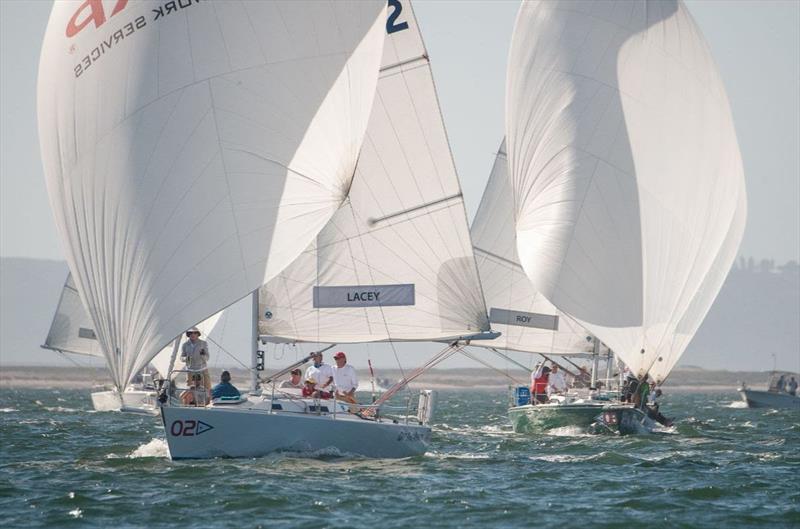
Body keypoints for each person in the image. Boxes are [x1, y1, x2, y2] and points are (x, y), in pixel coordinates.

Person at [181, 327, 211, 399]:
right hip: (190, 370)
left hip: (202, 369)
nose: (193, 334)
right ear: (188, 334)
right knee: (190, 389)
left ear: (198, 334)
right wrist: (186, 358)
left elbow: (207, 358)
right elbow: (181, 357)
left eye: (195, 333)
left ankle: (208, 402)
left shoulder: (203, 343)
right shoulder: (185, 345)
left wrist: (202, 355)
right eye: (191, 333)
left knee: (207, 387)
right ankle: (190, 403)